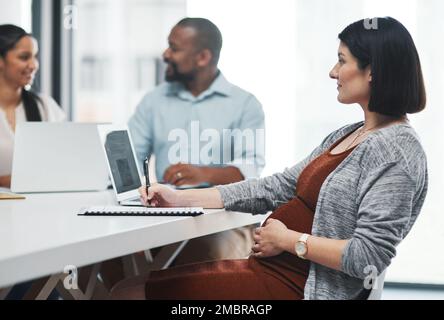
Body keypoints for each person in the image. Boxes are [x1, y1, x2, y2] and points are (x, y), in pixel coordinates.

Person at [111, 17, 428, 300]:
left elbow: (367, 257)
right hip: (271, 274)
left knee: (129, 293)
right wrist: (179, 197)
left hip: (298, 288)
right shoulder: (351, 133)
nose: (333, 71)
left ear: (372, 71)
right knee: (124, 287)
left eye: (341, 61)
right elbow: (276, 187)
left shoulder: (395, 151)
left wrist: (289, 240)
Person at [128, 18, 265, 264]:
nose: (165, 54)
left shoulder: (245, 104)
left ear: (202, 57)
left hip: (225, 222)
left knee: (198, 256)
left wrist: (202, 174)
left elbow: (251, 172)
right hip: (165, 217)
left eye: (174, 48)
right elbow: (130, 159)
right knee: (115, 257)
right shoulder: (153, 101)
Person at [0, 24, 65, 188]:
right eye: (24, 57)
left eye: (34, 57)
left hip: (38, 206)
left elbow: (64, 160)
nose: (34, 65)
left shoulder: (45, 106)